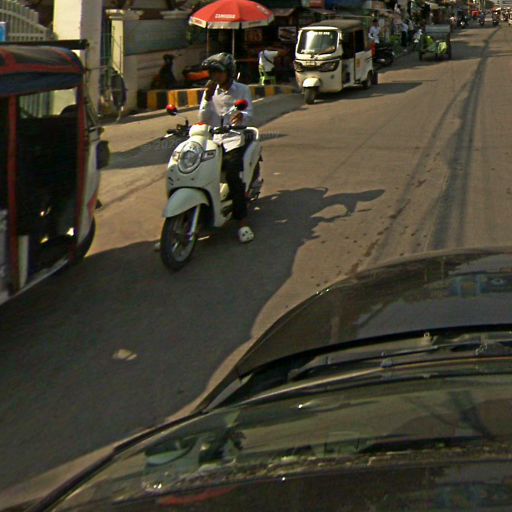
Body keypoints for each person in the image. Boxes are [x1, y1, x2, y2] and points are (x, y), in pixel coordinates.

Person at [199, 53, 255, 244]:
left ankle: (242, 222)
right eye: (211, 72)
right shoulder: (209, 92)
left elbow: (248, 113)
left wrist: (242, 116)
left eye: (218, 72)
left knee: (232, 174)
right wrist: (207, 98)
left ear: (229, 72)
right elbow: (203, 119)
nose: (214, 76)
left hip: (234, 138)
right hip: (214, 139)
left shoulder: (242, 90)